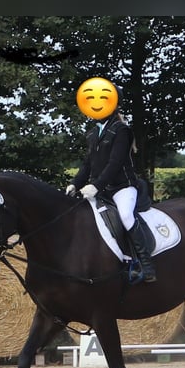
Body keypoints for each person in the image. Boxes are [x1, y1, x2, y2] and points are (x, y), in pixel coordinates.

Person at [66, 77, 156, 283]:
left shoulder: (122, 130)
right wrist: (75, 183)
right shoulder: (93, 133)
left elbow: (115, 163)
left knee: (125, 216)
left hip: (123, 187)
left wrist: (95, 186)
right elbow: (87, 165)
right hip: (101, 189)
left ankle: (145, 264)